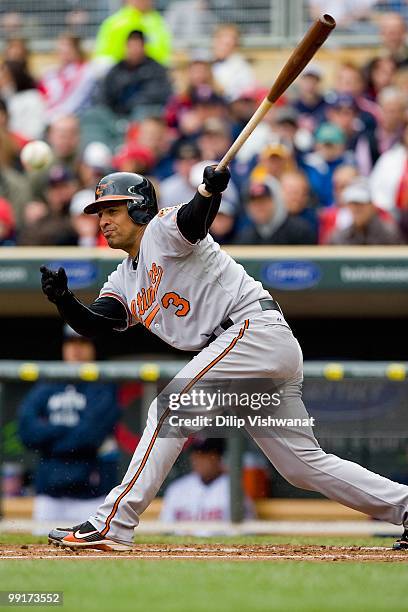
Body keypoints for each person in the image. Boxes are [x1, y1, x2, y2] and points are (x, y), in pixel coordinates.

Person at [40, 166, 408, 552]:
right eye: (99, 213)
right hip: (254, 349)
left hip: (251, 332)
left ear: (139, 209)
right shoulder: (122, 278)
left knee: (170, 410)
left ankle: (112, 523)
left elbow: (194, 219)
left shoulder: (162, 229)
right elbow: (97, 322)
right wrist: (65, 301)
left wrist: (209, 190)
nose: (103, 221)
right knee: (302, 465)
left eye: (112, 210)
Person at [18, 326, 120, 533]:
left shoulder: (103, 384)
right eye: (71, 342)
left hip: (92, 496)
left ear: (93, 347)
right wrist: (68, 429)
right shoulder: (47, 383)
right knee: (43, 556)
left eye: (83, 342)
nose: (76, 349)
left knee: (93, 558)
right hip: (49, 494)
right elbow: (26, 431)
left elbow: (89, 436)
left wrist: (50, 435)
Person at [160, 438, 253, 523]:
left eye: (204, 454)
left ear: (217, 457)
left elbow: (246, 531)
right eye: (195, 453)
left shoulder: (233, 489)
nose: (198, 459)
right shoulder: (177, 489)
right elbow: (164, 529)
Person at [100, 30, 172, 119]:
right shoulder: (116, 70)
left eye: (137, 46)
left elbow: (156, 96)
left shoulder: (156, 70)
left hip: (144, 116)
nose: (134, 50)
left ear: (144, 48)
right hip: (116, 115)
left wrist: (129, 106)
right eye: (130, 46)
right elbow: (105, 94)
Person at [235, 180, 317, 246]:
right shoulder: (246, 237)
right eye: (254, 203)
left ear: (275, 202)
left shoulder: (300, 231)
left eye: (263, 201)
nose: (259, 207)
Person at [94, 0, 171, 67]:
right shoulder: (115, 23)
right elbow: (103, 59)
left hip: (154, 73)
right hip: (122, 74)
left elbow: (165, 53)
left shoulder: (158, 22)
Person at [329, 177, 403, 245]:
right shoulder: (339, 237)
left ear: (372, 205)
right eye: (352, 203)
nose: (356, 208)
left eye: (361, 203)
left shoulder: (389, 234)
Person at [212, 24, 256, 102]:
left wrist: (219, 88)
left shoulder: (241, 67)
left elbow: (245, 93)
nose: (222, 47)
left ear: (235, 45)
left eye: (227, 44)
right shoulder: (208, 63)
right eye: (220, 42)